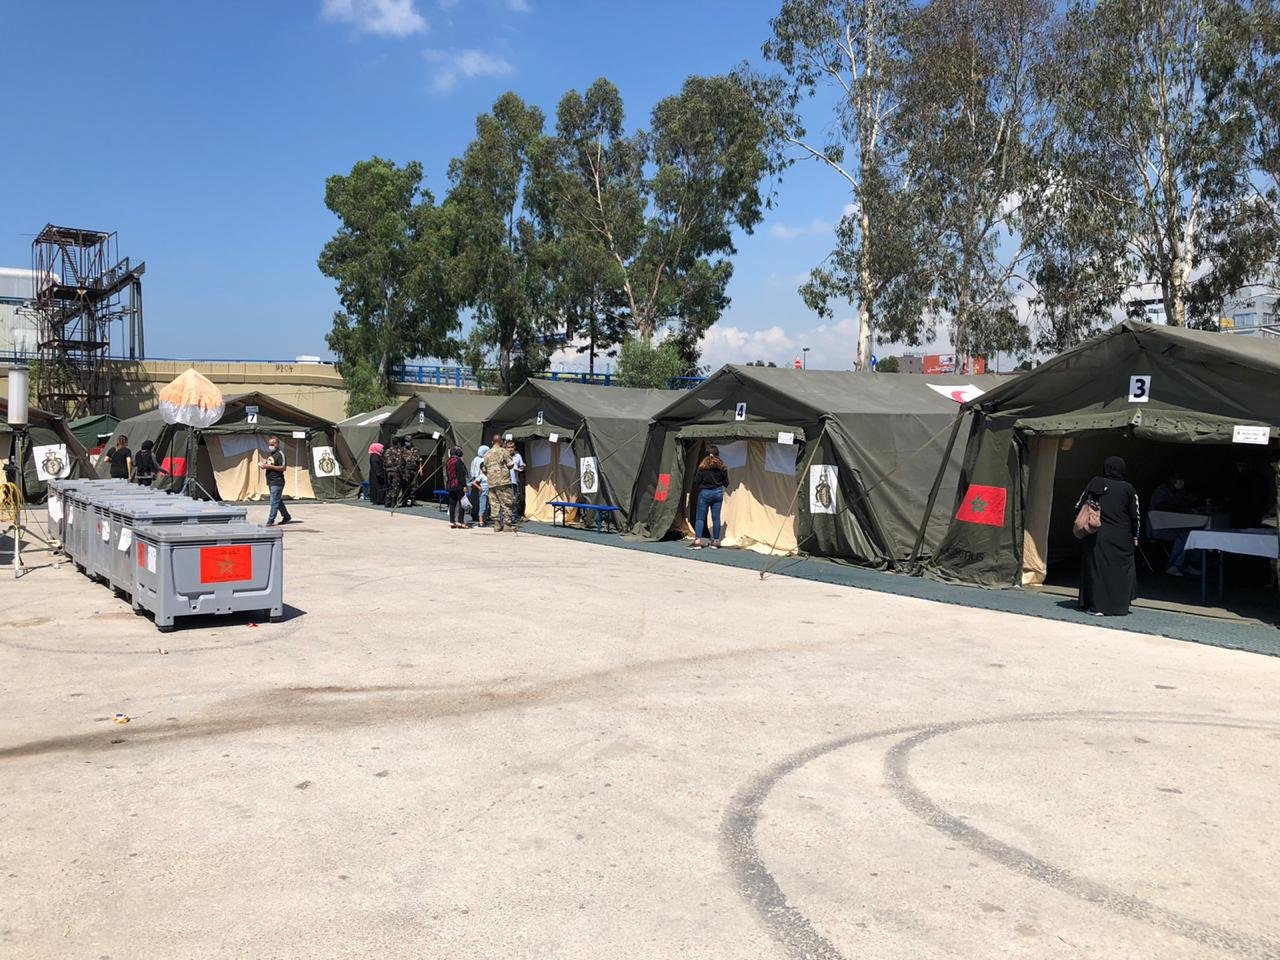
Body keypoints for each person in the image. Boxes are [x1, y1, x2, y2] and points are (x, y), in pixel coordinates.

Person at [1075, 455, 1139, 616]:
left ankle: (1096, 606)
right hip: (1123, 536)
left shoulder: (1096, 482)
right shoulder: (1129, 489)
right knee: (1120, 572)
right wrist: (1135, 536)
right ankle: (1119, 606)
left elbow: (1079, 504)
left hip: (1099, 535)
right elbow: (1135, 516)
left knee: (1098, 571)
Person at [1149, 470, 1199, 576]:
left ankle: (1188, 564)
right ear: (1170, 479)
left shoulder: (1180, 492)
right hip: (1157, 528)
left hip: (1174, 526)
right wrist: (1181, 508)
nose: (1180, 481)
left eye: (1181, 478)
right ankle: (1173, 566)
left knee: (1194, 534)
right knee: (1184, 537)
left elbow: (1193, 500)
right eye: (1177, 478)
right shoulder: (1161, 491)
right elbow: (1160, 506)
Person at [690, 444, 728, 549]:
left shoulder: (702, 467)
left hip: (705, 493)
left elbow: (696, 481)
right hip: (718, 493)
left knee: (700, 518)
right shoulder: (722, 467)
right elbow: (726, 483)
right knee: (716, 518)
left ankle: (697, 541)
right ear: (717, 454)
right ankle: (715, 542)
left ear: (708, 455)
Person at [259, 435, 294, 526]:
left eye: (272, 444)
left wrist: (270, 467)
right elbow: (269, 464)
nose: (270, 446)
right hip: (270, 480)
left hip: (277, 481)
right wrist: (264, 465)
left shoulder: (280, 454)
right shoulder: (270, 454)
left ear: (277, 444)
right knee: (277, 501)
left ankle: (270, 520)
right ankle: (286, 516)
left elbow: (283, 468)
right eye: (269, 444)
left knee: (273, 501)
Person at [483, 436, 515, 532]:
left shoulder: (487, 454)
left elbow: (484, 469)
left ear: (492, 442)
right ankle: (507, 525)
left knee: (494, 503)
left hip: (491, 482)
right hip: (503, 481)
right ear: (501, 441)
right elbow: (510, 464)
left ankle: (496, 524)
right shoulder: (504, 451)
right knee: (506, 502)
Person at [444, 445, 470, 528]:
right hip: (458, 485)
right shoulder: (458, 461)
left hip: (450, 485)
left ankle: (452, 521)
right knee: (462, 503)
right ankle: (460, 521)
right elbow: (460, 475)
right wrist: (464, 485)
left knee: (452, 504)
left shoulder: (448, 461)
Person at [470, 444, 490, 526]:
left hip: (477, 481)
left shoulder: (475, 459)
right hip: (480, 482)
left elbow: (472, 471)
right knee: (481, 502)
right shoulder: (483, 460)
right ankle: (480, 518)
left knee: (479, 501)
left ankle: (477, 515)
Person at [507, 439, 525, 522]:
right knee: (505, 500)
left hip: (514, 481)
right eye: (508, 447)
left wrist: (521, 468)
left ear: (515, 447)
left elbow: (522, 466)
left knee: (515, 500)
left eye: (512, 447)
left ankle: (514, 516)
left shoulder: (518, 456)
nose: (510, 449)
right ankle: (505, 517)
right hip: (505, 482)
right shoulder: (503, 456)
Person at [401, 439, 422, 507]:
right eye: (406, 441)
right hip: (406, 469)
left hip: (414, 469)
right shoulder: (402, 449)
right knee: (406, 485)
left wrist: (420, 468)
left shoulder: (416, 449)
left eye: (408, 441)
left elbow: (419, 460)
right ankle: (404, 500)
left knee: (414, 485)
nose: (407, 443)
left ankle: (412, 499)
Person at [383, 440, 404, 508]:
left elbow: (384, 461)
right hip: (395, 471)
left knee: (390, 486)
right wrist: (402, 473)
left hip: (388, 471)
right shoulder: (398, 451)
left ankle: (387, 503)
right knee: (396, 487)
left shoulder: (387, 451)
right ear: (398, 443)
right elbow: (400, 462)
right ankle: (393, 504)